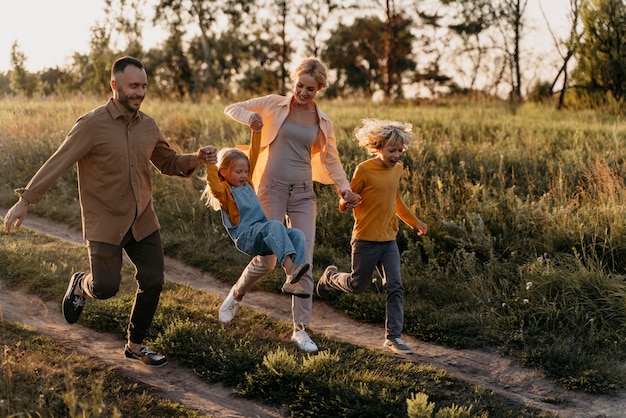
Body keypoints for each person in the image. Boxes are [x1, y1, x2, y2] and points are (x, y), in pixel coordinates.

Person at [2, 56, 217, 367]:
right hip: (105, 220)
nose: (140, 92)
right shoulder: (91, 125)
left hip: (142, 217)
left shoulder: (149, 125)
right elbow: (58, 161)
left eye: (143, 86)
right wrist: (26, 200)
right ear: (114, 85)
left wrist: (195, 158)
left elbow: (168, 162)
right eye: (133, 86)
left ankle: (135, 345)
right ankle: (80, 284)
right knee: (105, 288)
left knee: (153, 279)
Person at [220, 57, 360, 353]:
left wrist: (344, 189)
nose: (303, 92)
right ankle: (237, 293)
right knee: (268, 258)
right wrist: (251, 119)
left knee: (302, 258)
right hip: (270, 188)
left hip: (303, 193)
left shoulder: (322, 121)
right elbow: (233, 108)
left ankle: (300, 329)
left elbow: (330, 160)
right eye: (300, 85)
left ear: (319, 88)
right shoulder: (274, 103)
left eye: (310, 88)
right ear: (294, 81)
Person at [316, 118, 428, 355]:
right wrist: (347, 201)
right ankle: (331, 277)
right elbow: (345, 200)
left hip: (389, 240)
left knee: (395, 286)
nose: (396, 155)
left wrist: (414, 222)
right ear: (378, 147)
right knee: (357, 286)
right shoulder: (364, 169)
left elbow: (395, 201)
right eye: (391, 150)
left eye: (400, 150)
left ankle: (393, 337)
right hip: (365, 239)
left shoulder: (397, 170)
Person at [201, 141, 311, 318]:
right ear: (223, 172)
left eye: (246, 171)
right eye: (238, 172)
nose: (244, 175)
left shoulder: (247, 183)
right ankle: (291, 271)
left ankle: (293, 280)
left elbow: (253, 153)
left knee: (297, 234)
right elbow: (213, 182)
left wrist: (256, 130)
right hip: (247, 238)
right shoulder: (225, 193)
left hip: (262, 234)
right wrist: (210, 163)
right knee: (275, 225)